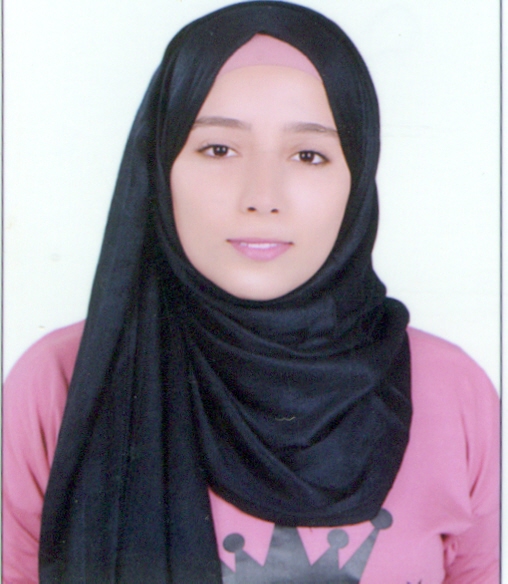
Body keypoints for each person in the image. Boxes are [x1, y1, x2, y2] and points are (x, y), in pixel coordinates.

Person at [3, 2, 499, 583]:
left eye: (309, 154)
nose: (262, 196)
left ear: (358, 178)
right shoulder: (61, 384)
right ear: (160, 165)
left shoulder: (453, 392)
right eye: (218, 149)